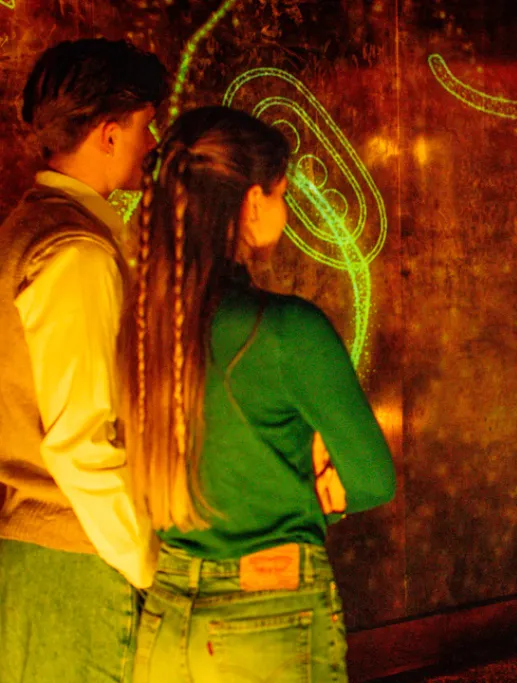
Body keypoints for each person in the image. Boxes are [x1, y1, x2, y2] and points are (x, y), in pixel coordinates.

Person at [119, 106, 396, 683]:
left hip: (166, 617)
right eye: (282, 193)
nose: (287, 210)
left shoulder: (138, 329)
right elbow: (372, 479)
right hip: (269, 613)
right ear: (251, 202)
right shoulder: (287, 330)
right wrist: (320, 478)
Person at [0, 38, 167, 683]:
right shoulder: (76, 251)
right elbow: (81, 444)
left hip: (45, 559)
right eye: (143, 128)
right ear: (107, 133)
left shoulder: (32, 226)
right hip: (77, 558)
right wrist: (150, 565)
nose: (149, 145)